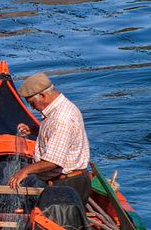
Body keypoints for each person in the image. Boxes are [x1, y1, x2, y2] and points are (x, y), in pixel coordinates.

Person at [7, 72, 92, 202]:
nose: (32, 108)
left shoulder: (60, 119)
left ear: (42, 95)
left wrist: (24, 171)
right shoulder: (60, 107)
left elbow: (52, 162)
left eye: (32, 103)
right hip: (68, 181)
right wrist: (35, 130)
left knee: (63, 222)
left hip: (67, 185)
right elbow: (57, 135)